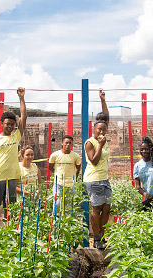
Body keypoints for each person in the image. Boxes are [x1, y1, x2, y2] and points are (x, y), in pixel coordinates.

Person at [0, 87, 27, 225]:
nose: (10, 126)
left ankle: (10, 233)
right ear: (2, 124)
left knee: (10, 208)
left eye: (12, 125)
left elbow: (24, 117)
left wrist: (21, 98)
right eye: (7, 124)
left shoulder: (15, 137)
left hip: (11, 178)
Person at [83, 90, 110, 250]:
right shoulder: (91, 142)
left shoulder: (104, 140)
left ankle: (103, 236)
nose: (101, 131)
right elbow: (93, 161)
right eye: (98, 129)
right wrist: (99, 145)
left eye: (103, 129)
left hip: (104, 178)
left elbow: (106, 117)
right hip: (93, 179)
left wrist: (103, 100)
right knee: (96, 209)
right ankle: (97, 238)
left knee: (106, 208)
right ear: (94, 129)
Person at [48, 135, 81, 211]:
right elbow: (50, 167)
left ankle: (67, 221)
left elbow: (78, 168)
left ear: (72, 144)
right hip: (58, 183)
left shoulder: (76, 156)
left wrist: (74, 178)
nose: (68, 145)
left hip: (70, 184)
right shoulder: (55, 155)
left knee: (68, 205)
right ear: (62, 143)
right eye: (66, 143)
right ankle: (55, 219)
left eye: (70, 143)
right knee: (57, 203)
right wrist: (56, 173)